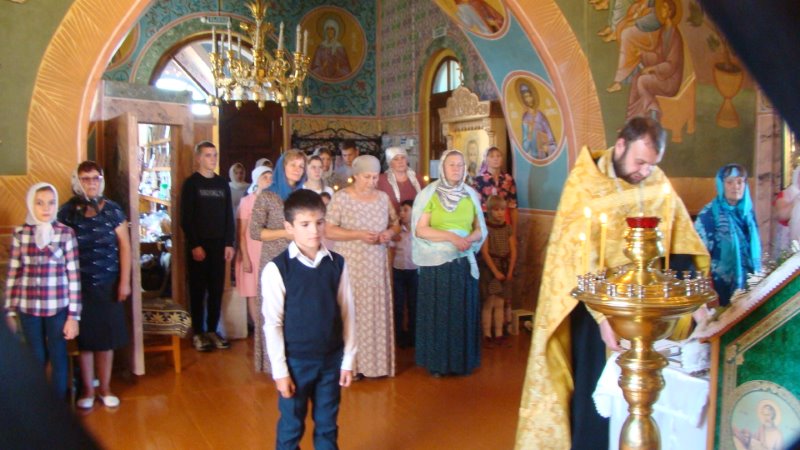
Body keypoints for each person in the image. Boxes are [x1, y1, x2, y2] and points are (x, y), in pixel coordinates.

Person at [514, 117, 710, 449]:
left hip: (648, 310)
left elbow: (679, 245)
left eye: (652, 164)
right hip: (596, 310)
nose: (645, 171)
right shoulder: (585, 184)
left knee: (651, 392)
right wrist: (603, 317)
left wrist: (697, 302)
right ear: (621, 145)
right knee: (595, 395)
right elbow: (573, 258)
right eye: (640, 162)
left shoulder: (657, 183)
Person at [261, 189, 356, 450]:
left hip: (331, 360)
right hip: (296, 362)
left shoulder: (337, 264)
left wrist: (348, 359)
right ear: (289, 227)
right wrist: (280, 371)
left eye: (319, 222)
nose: (314, 230)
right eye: (304, 224)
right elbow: (273, 323)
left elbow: (347, 311)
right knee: (291, 426)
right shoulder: (277, 269)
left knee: (327, 425)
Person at [58, 161, 132, 410]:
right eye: (85, 178)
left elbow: (124, 247)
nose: (91, 182)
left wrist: (124, 282)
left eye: (95, 178)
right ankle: (88, 389)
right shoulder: (67, 212)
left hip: (108, 284)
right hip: (78, 288)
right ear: (77, 181)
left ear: (101, 180)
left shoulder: (112, 210)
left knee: (106, 340)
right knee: (86, 341)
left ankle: (105, 388)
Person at [411, 149, 487, 376]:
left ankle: (462, 362)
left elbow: (480, 228)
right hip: (437, 266)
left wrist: (469, 239)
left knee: (461, 314)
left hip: (462, 263)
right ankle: (438, 364)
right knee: (439, 315)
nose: (456, 169)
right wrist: (451, 237)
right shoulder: (430, 194)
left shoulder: (470, 195)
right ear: (442, 167)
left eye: (460, 165)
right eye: (451, 164)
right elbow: (420, 229)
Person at [5, 183, 81, 400]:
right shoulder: (21, 234)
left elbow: (74, 277)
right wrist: (9, 311)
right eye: (40, 203)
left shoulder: (66, 234)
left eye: (51, 203)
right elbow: (13, 274)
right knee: (35, 357)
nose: (46, 208)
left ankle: (58, 405)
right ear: (31, 204)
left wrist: (73, 317)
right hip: (28, 308)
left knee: (58, 355)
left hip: (58, 308)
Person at [326, 155, 399, 378]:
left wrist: (389, 233)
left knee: (374, 314)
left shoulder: (383, 198)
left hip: (376, 266)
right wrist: (357, 234)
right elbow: (328, 230)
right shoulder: (341, 198)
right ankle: (352, 367)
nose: (372, 182)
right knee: (352, 313)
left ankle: (376, 366)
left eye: (375, 177)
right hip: (352, 266)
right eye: (367, 177)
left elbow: (396, 223)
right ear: (356, 175)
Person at [250, 149, 307, 373]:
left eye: (301, 166)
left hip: (300, 259)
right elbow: (255, 232)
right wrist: (285, 233)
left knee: (297, 310)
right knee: (274, 312)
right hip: (274, 260)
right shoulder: (267, 196)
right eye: (293, 165)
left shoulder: (303, 196)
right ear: (282, 167)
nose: (297, 170)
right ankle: (273, 363)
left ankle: (296, 359)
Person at [180, 141, 235, 352]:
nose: (213, 159)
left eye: (214, 155)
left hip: (219, 245)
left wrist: (229, 243)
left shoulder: (222, 184)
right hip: (199, 245)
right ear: (198, 158)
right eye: (208, 155)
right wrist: (195, 244)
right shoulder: (191, 184)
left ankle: (212, 330)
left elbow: (229, 216)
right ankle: (198, 332)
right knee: (197, 289)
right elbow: (187, 218)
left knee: (216, 289)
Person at [694, 164, 761, 307]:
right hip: (719, 287)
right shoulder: (709, 215)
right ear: (721, 185)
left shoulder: (748, 214)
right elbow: (698, 255)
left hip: (749, 283)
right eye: (729, 182)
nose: (735, 186)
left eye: (740, 182)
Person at [625, 0, 684, 120]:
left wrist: (652, 68)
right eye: (661, 8)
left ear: (670, 12)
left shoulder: (675, 35)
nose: (661, 11)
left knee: (642, 81)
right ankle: (631, 120)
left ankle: (653, 109)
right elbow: (658, 54)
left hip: (670, 80)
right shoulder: (664, 31)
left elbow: (671, 65)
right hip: (662, 74)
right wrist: (642, 54)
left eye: (664, 8)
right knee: (636, 79)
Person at [236, 165, 273, 333]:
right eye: (265, 177)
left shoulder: (274, 201)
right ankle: (259, 329)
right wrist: (245, 257)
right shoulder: (247, 201)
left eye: (271, 177)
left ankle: (269, 328)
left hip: (268, 251)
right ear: (256, 180)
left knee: (269, 292)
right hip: (251, 251)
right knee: (253, 292)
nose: (269, 180)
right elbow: (241, 232)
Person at [479, 195, 517, 347]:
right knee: (489, 302)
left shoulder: (507, 228)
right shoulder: (486, 229)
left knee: (500, 303)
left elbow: (513, 251)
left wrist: (510, 270)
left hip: (504, 268)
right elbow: (485, 252)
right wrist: (495, 272)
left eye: (502, 209)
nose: (500, 213)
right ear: (489, 211)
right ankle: (487, 334)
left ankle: (499, 333)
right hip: (490, 269)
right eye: (496, 210)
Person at [389, 199, 418, 348]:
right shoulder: (397, 230)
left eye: (405, 210)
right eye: (400, 210)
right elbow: (390, 245)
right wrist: (391, 237)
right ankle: (399, 336)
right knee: (398, 305)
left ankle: (413, 336)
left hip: (415, 271)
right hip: (399, 270)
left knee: (414, 305)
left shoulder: (420, 231)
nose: (402, 213)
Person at [472, 146, 519, 234]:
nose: (495, 159)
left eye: (498, 156)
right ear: (486, 159)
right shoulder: (478, 180)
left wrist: (514, 232)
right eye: (492, 156)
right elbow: (474, 207)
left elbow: (513, 207)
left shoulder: (508, 179)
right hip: (485, 222)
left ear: (502, 159)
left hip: (504, 223)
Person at [377, 146, 425, 213]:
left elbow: (425, 200)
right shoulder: (381, 180)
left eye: (403, 158)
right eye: (396, 159)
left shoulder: (417, 178)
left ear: (407, 160)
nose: (400, 162)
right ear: (389, 163)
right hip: (388, 218)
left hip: (414, 218)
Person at [519, 82, 557, 159]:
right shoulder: (525, 118)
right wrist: (529, 133)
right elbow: (525, 148)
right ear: (523, 99)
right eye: (525, 97)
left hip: (544, 157)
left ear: (533, 96)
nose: (528, 99)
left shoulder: (540, 116)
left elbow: (551, 140)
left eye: (529, 96)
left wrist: (548, 148)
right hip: (532, 159)